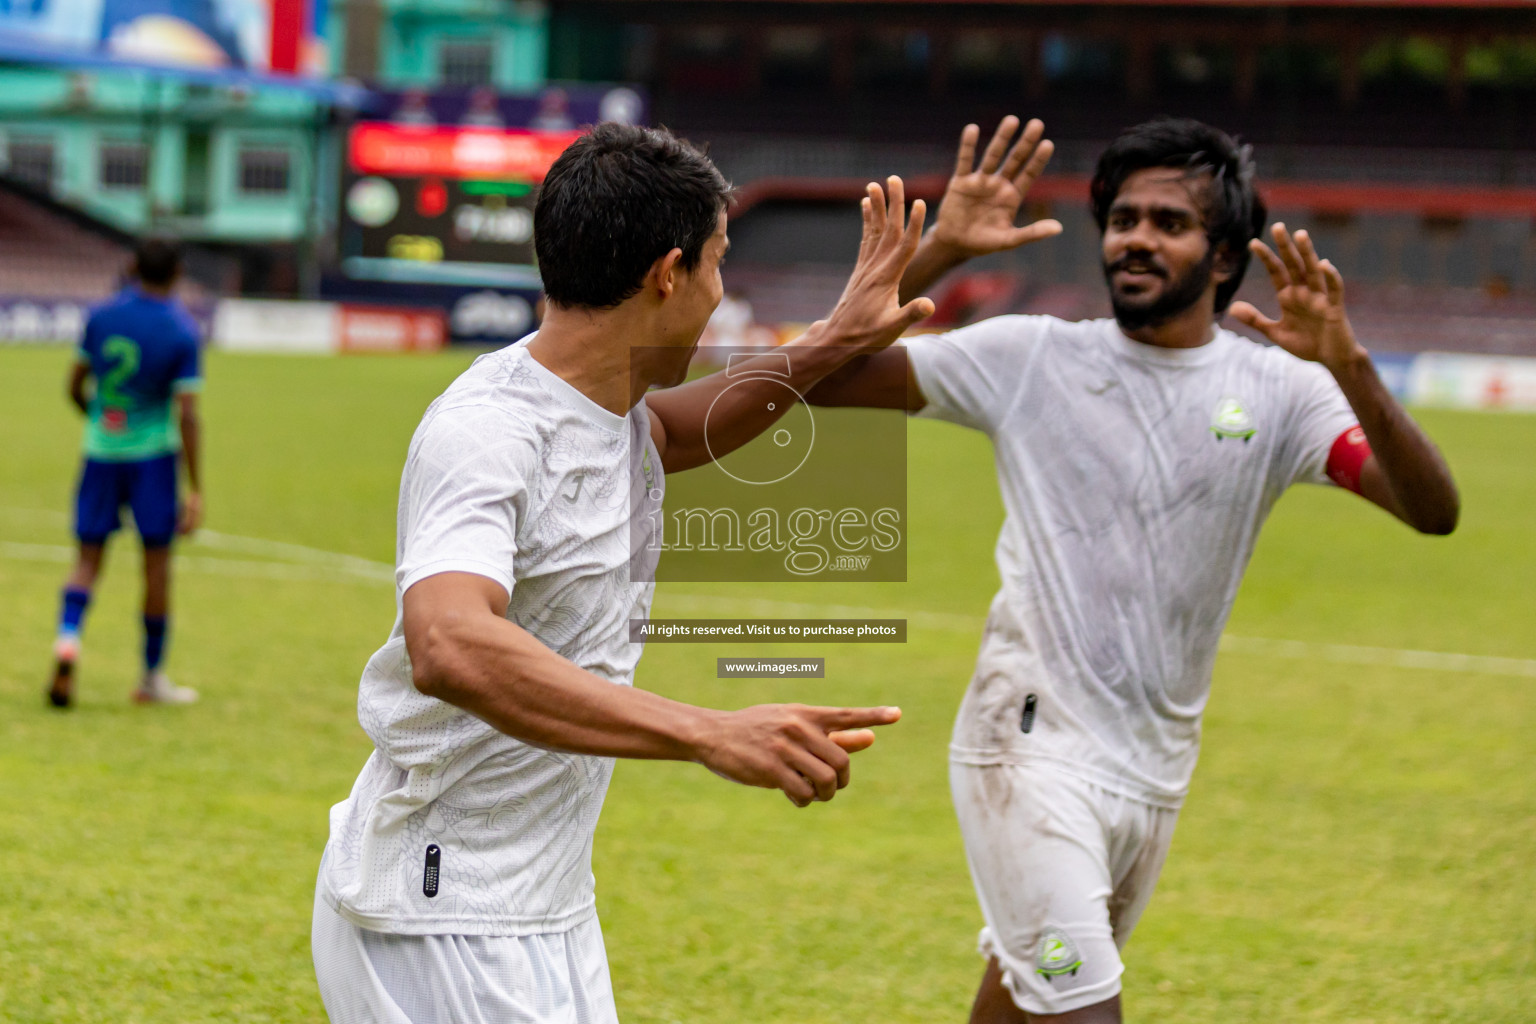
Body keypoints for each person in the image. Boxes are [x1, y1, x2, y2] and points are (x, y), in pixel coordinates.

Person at [806, 116, 1460, 1023]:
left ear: (1224, 256)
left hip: (1153, 770)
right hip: (1026, 749)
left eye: (1168, 221)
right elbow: (816, 377)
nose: (1136, 238)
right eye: (1122, 218)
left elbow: (1432, 510)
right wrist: (937, 252)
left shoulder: (1285, 393)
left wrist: (1350, 365)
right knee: (1085, 1009)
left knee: (1025, 998)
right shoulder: (1030, 356)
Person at [311, 122, 936, 1023]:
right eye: (720, 265)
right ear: (668, 274)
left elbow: (681, 431)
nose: (724, 295)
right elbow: (447, 642)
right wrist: (705, 732)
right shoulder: (488, 429)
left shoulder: (619, 414)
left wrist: (836, 338)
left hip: (545, 905)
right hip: (441, 914)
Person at [49, 238, 204, 709]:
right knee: (155, 567)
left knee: (86, 560)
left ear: (132, 267)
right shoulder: (181, 329)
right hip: (153, 460)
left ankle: (67, 642)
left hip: (100, 452)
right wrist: (195, 487)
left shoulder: (101, 317)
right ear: (177, 273)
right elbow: (188, 414)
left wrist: (98, 419)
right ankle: (150, 678)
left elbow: (75, 386)